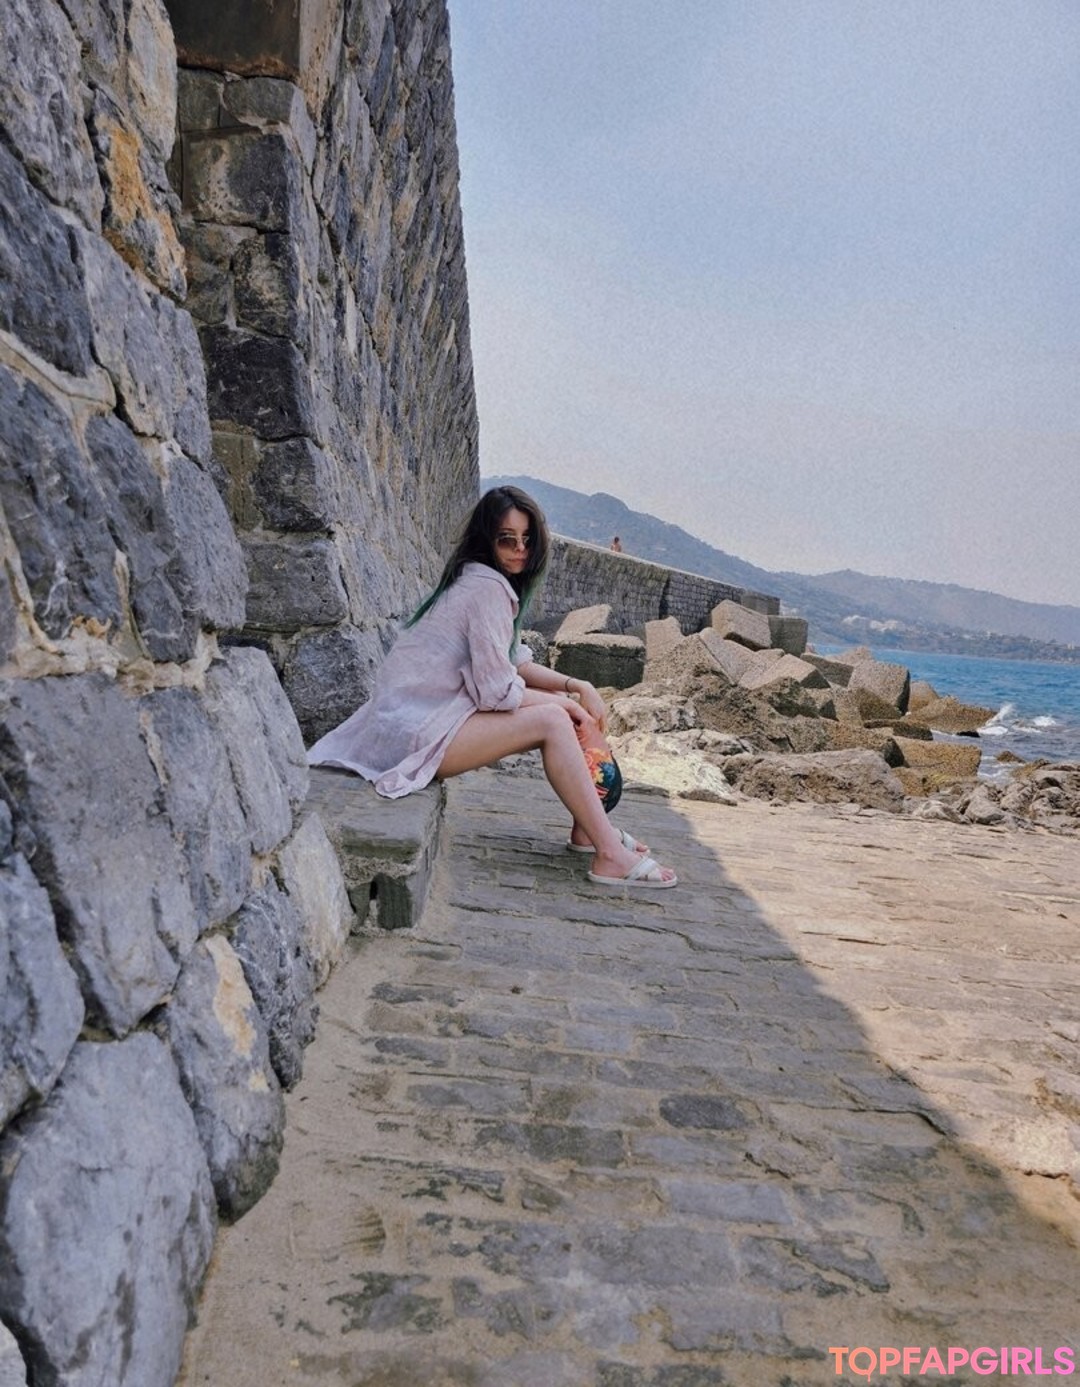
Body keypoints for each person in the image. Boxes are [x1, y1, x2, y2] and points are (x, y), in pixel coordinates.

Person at [307, 486, 677, 889]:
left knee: (559, 708)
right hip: (415, 732)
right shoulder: (486, 589)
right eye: (507, 539)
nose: (520, 550)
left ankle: (589, 830)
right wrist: (569, 707)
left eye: (527, 539)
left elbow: (516, 662)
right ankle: (608, 853)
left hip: (414, 721)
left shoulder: (477, 580)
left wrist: (577, 686)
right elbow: (496, 693)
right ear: (487, 539)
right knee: (554, 720)